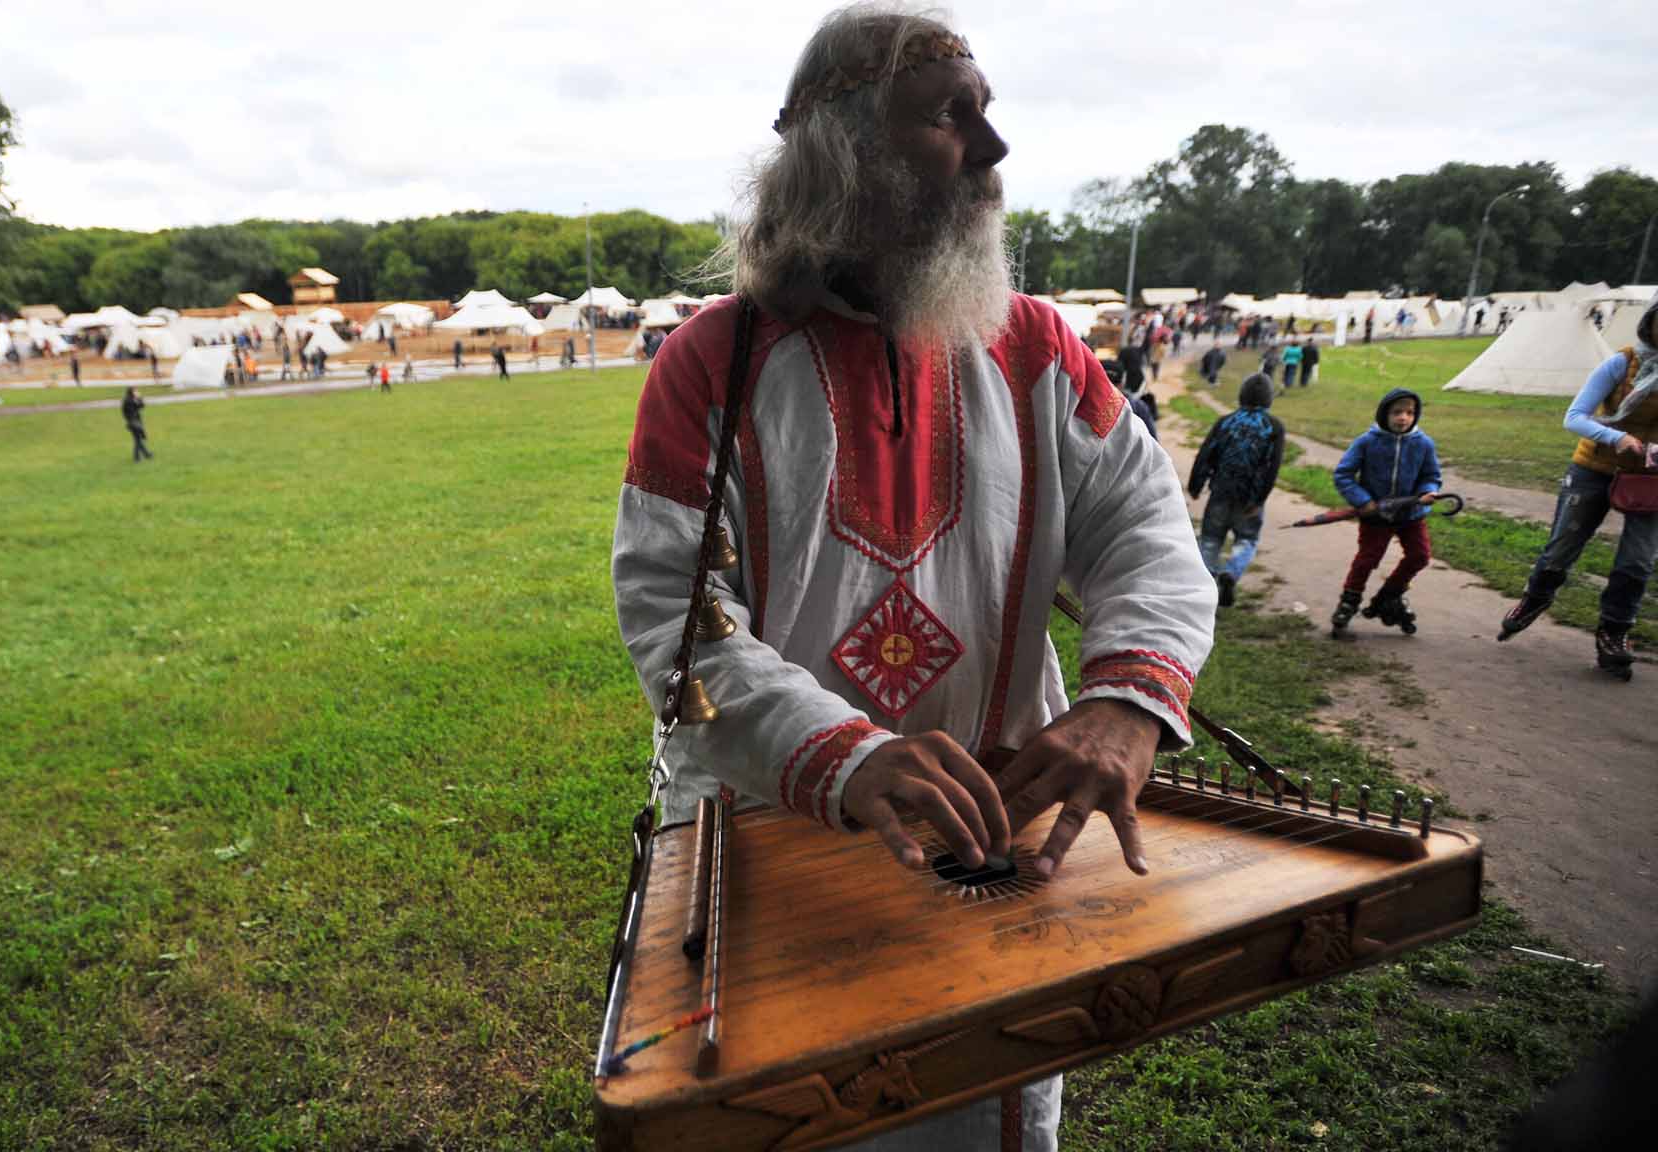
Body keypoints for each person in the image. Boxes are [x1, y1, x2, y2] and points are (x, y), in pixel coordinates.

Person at [611, 10, 1215, 1149]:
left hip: (997, 841)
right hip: (776, 838)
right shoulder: (709, 364)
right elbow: (675, 617)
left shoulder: (1038, 348)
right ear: (845, 152)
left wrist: (1127, 701)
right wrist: (845, 755)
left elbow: (1143, 533)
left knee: (985, 1112)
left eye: (987, 115)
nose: (993, 150)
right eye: (950, 118)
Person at [1497, 297, 1658, 678]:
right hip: (1595, 467)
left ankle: (1613, 633)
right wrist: (1616, 438)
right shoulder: (1622, 363)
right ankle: (1535, 599)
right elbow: (1575, 417)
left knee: (1637, 561)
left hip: (1649, 475)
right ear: (1650, 322)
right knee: (1562, 546)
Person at [1328, 389, 1443, 636]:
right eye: (1397, 412)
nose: (1403, 417)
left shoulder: (1423, 443)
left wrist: (1427, 492)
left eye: (1410, 412)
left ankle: (1388, 596)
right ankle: (1349, 602)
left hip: (1411, 515)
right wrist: (1363, 501)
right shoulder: (1367, 441)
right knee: (1367, 559)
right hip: (1376, 515)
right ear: (1384, 414)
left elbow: (1431, 476)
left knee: (1419, 556)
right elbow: (1343, 475)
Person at [1189, 374, 1286, 608]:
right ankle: (1231, 572)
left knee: (1210, 539)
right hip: (1249, 498)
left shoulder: (1225, 422)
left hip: (1220, 493)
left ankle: (1206, 585)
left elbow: (1206, 454)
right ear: (1269, 399)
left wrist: (1195, 484)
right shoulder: (1274, 427)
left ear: (1241, 395)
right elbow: (1272, 467)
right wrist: (1259, 499)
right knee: (1247, 539)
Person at [122, 386, 152, 462]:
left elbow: (142, 406)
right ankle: (137, 458)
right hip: (133, 422)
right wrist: (138, 398)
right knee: (138, 440)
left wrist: (139, 398)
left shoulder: (131, 399)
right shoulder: (128, 401)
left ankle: (146, 454)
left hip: (135, 421)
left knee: (138, 439)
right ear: (131, 392)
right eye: (135, 391)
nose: (137, 392)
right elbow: (134, 408)